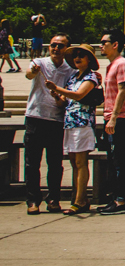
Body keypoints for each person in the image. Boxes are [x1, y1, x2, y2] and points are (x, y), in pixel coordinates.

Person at [45, 43, 102, 215]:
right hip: (70, 123)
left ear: (89, 59)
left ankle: (80, 200)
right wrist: (57, 96)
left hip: (83, 123)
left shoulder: (91, 77)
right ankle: (79, 197)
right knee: (74, 163)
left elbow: (79, 95)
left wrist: (57, 88)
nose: (77, 58)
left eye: (81, 55)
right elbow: (64, 102)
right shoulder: (73, 77)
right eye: (75, 55)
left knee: (80, 162)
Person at [23, 33, 74, 215]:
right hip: (35, 117)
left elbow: (66, 100)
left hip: (56, 120)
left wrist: (59, 98)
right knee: (32, 163)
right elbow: (29, 74)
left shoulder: (70, 70)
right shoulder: (40, 62)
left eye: (60, 46)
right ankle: (32, 200)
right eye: (53, 45)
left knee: (55, 163)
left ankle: (53, 199)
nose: (56, 49)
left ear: (67, 48)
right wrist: (34, 71)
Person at [97, 29, 125, 214]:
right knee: (113, 161)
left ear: (115, 44)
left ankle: (121, 201)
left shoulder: (121, 64)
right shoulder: (111, 65)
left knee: (118, 161)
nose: (101, 46)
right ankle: (115, 198)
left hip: (120, 119)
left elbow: (123, 90)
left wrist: (113, 117)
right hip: (112, 118)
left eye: (104, 42)